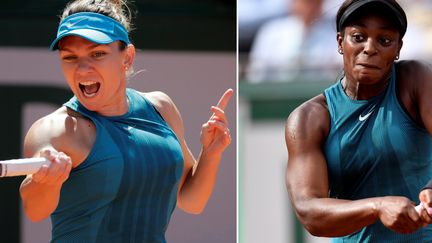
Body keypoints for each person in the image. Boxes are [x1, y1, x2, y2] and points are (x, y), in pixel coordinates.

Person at [19, 0, 233, 242]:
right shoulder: (53, 131)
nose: (82, 69)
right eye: (70, 57)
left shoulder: (161, 108)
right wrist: (45, 181)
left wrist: (211, 154)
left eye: (97, 54)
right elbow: (35, 210)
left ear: (127, 57)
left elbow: (192, 201)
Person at [285, 0, 432, 242]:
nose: (370, 48)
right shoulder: (308, 118)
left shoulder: (415, 79)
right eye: (358, 36)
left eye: (384, 40)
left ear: (398, 49)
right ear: (340, 42)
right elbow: (309, 211)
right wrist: (378, 207)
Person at [246, 0, 342, 82]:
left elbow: (339, 74)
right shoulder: (271, 33)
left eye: (313, 1)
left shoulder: (334, 34)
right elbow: (256, 76)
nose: (308, 7)